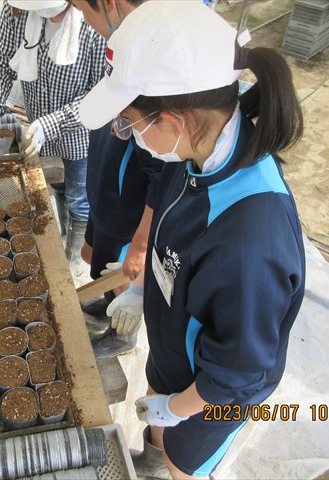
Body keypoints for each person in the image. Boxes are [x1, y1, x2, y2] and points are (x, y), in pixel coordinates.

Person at [79, 3, 305, 479]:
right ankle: (157, 454)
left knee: (185, 461)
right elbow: (173, 231)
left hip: (212, 398)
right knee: (160, 434)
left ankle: (174, 463)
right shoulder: (195, 154)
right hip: (175, 355)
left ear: (176, 119)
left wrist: (178, 408)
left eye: (132, 123)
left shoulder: (250, 241)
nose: (128, 134)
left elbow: (238, 372)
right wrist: (146, 289)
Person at [0, 1, 106, 276]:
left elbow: (100, 92)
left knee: (80, 195)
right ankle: (65, 237)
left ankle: (77, 258)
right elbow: (0, 63)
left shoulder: (92, 22)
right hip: (38, 122)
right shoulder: (18, 11)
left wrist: (52, 124)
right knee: (58, 187)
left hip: (80, 130)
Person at [70, 0, 163, 358]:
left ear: (109, 4)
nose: (84, 20)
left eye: (83, 10)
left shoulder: (151, 62)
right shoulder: (120, 41)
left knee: (125, 268)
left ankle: (123, 334)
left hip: (131, 206)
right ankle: (106, 299)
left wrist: (140, 246)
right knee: (103, 261)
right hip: (108, 182)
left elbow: (158, 174)